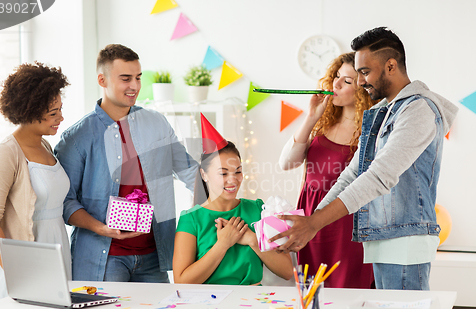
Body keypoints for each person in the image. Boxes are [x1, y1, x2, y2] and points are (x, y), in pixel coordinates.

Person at [271, 27, 458, 290]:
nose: (360, 82)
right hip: (380, 240)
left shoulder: (419, 110)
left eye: (364, 72)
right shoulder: (383, 112)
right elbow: (353, 172)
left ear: (391, 66)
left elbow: (378, 176)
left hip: (404, 242)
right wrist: (313, 223)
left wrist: (314, 222)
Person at [55, 44, 197, 282]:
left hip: (154, 255)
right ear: (102, 79)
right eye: (125, 78)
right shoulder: (77, 138)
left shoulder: (157, 123)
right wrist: (101, 228)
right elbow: (65, 202)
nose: (135, 86)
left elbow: (191, 172)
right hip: (105, 257)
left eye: (138, 78)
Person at [279, 52, 376, 289]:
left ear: (362, 90)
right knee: (313, 295)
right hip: (310, 219)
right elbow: (286, 163)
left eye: (347, 81)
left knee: (345, 290)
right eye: (337, 76)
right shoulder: (323, 122)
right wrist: (311, 117)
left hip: (345, 225)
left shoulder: (370, 133)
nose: (336, 84)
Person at [0, 62, 71, 303]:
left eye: (60, 109)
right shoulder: (7, 153)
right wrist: (17, 272)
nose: (61, 118)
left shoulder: (45, 145)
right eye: (53, 113)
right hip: (24, 263)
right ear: (30, 111)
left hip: (56, 251)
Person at [173, 114, 293, 285]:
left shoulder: (259, 209)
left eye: (237, 171)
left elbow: (287, 271)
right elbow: (182, 282)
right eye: (223, 173)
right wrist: (223, 244)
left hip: (252, 304)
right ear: (204, 174)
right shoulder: (190, 219)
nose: (233, 179)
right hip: (206, 306)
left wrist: (253, 240)